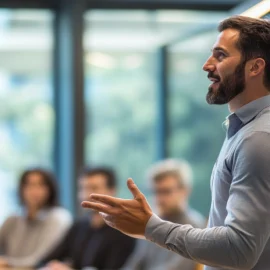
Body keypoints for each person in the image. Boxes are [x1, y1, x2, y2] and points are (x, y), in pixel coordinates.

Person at [82, 15, 270, 270]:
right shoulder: (246, 130)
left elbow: (239, 250)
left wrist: (150, 227)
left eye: (220, 55)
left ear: (255, 67)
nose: (206, 65)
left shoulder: (258, 137)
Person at [40, 167, 135, 270]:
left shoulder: (124, 232)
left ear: (112, 191)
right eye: (83, 188)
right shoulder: (79, 226)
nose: (86, 195)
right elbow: (46, 260)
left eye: (94, 188)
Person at [123, 159, 205, 270]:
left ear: (185, 191)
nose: (159, 199)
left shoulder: (195, 226)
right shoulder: (153, 222)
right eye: (155, 192)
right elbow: (136, 263)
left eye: (166, 191)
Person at [0, 168, 72, 268]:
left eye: (40, 185)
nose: (34, 190)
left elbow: (42, 259)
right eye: (29, 185)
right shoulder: (13, 218)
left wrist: (8, 262)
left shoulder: (58, 217)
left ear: (50, 189)